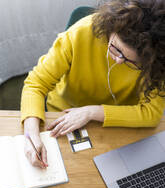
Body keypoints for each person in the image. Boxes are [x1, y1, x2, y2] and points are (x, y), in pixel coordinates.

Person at [21, 0, 165, 168]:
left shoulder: (156, 60)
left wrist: (92, 112)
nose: (118, 61)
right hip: (63, 117)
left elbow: (151, 114)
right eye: (116, 49)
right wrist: (31, 135)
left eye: (132, 61)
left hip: (120, 123)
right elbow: (35, 84)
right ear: (110, 28)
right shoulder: (80, 33)